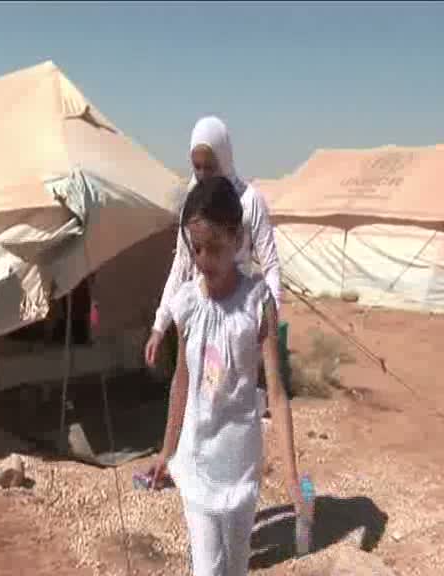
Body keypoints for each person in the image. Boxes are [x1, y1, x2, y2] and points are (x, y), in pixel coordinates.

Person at [147, 176, 303, 576]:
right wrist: (167, 450)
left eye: (213, 247)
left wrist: (291, 475)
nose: (203, 259)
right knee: (207, 569)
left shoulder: (256, 303)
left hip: (240, 466)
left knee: (235, 566)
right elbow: (181, 381)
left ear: (237, 239)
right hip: (197, 464)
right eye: (195, 248)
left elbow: (278, 394)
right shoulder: (187, 305)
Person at [144, 116, 281, 370]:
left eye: (210, 166)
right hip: (200, 312)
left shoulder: (250, 201)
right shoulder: (193, 204)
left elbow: (271, 265)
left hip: (239, 317)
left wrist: (268, 326)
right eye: (197, 167)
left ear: (224, 159)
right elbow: (181, 265)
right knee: (194, 389)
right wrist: (159, 325)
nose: (203, 174)